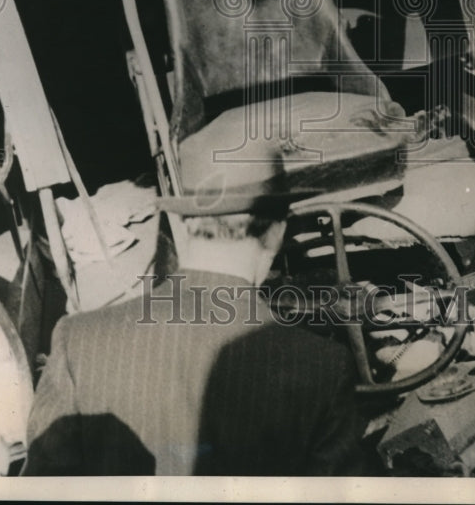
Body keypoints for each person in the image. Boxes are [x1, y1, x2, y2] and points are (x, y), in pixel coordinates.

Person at [23, 155, 365, 476]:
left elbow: (42, 486)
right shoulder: (324, 368)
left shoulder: (80, 339)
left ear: (185, 225)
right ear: (277, 232)